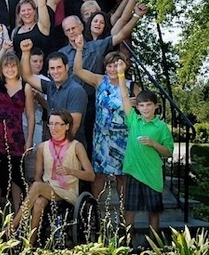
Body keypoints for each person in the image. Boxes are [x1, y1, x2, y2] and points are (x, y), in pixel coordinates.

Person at [7, 109, 95, 246]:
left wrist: (70, 171)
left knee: (37, 187)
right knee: (39, 201)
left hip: (68, 191)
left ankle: (11, 227)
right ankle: (29, 244)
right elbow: (38, 176)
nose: (53, 128)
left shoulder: (76, 146)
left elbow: (91, 176)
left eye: (58, 124)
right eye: (51, 124)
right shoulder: (43, 147)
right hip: (48, 188)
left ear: (67, 126)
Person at [116, 64, 173, 240]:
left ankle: (154, 249)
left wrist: (153, 143)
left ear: (155, 106)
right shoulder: (133, 120)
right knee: (129, 210)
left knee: (154, 213)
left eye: (149, 105)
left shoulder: (162, 127)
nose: (145, 108)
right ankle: (126, 248)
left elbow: (169, 152)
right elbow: (125, 97)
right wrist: (120, 73)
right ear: (138, 107)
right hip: (133, 173)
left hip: (153, 176)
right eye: (141, 105)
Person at [0, 25, 34, 215]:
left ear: (17, 67)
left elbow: (30, 115)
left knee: (16, 178)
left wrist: (29, 140)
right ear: (2, 68)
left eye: (13, 65)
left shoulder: (26, 87)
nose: (10, 69)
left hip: (15, 138)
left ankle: (18, 213)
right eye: (6, 65)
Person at [73, 38, 132, 201]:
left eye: (116, 65)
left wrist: (136, 105)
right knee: (99, 174)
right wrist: (79, 49)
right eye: (109, 65)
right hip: (102, 137)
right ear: (105, 67)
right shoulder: (100, 81)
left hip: (122, 139)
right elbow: (77, 70)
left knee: (122, 176)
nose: (113, 68)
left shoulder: (131, 86)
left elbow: (142, 111)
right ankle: (98, 214)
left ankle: (122, 215)